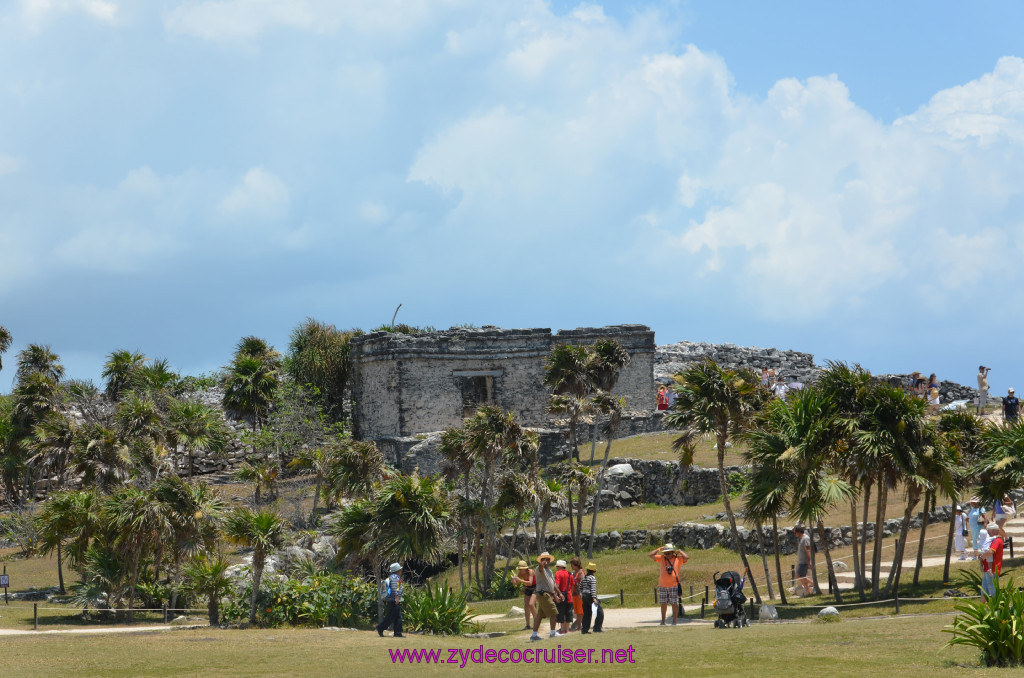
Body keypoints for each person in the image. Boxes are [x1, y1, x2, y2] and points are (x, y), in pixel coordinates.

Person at [648, 543, 687, 625]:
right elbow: (650, 555)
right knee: (663, 604)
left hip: (673, 585)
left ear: (672, 552)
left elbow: (686, 557)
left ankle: (674, 622)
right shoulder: (661, 558)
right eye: (666, 553)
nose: (667, 555)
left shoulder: (678, 559)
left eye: (669, 553)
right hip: (662, 585)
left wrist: (679, 551)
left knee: (674, 604)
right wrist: (659, 549)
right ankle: (663, 621)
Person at [529, 552, 563, 641]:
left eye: (547, 559)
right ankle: (552, 633)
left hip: (546, 594)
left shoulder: (549, 571)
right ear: (541, 561)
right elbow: (540, 568)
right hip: (543, 594)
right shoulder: (539, 569)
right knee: (554, 613)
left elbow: (553, 584)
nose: (546, 561)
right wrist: (542, 565)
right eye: (544, 559)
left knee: (539, 616)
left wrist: (558, 594)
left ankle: (534, 635)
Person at [376, 562, 404, 638]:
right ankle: (380, 627)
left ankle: (398, 633)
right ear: (397, 570)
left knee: (398, 617)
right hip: (394, 600)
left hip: (392, 599)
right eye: (400, 569)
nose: (401, 571)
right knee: (391, 616)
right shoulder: (395, 578)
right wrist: (397, 598)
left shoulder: (391, 577)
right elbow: (395, 588)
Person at [979, 522, 1005, 598]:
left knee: (992, 591)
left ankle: (995, 608)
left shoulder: (996, 540)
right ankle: (981, 608)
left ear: (992, 531)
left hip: (993, 569)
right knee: (984, 591)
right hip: (988, 569)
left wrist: (981, 557)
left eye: (988, 531)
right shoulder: (992, 539)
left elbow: (990, 552)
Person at [511, 560, 536, 630]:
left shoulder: (531, 572)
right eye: (519, 569)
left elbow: (530, 582)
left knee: (531, 605)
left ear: (525, 568)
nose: (519, 570)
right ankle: (527, 625)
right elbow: (516, 583)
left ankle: (536, 623)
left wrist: (520, 580)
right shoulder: (520, 574)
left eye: (521, 569)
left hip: (535, 588)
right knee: (526, 606)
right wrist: (513, 581)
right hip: (528, 588)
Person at [579, 562, 603, 634]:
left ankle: (584, 629)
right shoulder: (592, 578)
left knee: (587, 613)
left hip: (584, 596)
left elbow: (580, 587)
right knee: (599, 612)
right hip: (590, 596)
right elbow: (593, 588)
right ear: (594, 571)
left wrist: (581, 595)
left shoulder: (584, 578)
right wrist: (594, 598)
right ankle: (597, 628)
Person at [553, 560, 574, 636]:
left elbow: (556, 585)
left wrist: (557, 594)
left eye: (557, 567)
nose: (557, 568)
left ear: (560, 566)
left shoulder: (558, 573)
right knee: (568, 612)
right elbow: (572, 585)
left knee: (561, 612)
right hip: (569, 596)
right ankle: (567, 629)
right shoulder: (570, 574)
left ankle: (562, 629)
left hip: (561, 596)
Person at [794, 526, 813, 596]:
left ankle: (814, 584)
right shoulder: (802, 539)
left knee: (799, 576)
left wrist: (808, 562)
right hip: (801, 561)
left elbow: (808, 550)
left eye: (795, 532)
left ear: (799, 532)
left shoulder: (805, 538)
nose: (795, 534)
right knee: (802, 577)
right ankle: (809, 592)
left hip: (804, 562)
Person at [569, 557, 584, 632]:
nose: (571, 566)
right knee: (577, 611)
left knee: (580, 611)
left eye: (572, 565)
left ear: (576, 564)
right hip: (574, 595)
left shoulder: (580, 573)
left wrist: (581, 593)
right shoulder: (574, 573)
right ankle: (578, 626)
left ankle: (579, 626)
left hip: (579, 595)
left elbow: (583, 584)